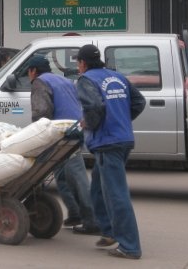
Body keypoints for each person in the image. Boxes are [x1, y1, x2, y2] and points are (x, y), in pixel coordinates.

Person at [76, 44, 146, 260]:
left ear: (83, 63)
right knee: (97, 188)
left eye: (78, 63)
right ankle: (107, 231)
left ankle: (130, 246)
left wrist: (88, 123)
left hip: (107, 142)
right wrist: (121, 121)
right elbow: (139, 102)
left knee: (117, 195)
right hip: (123, 139)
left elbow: (94, 107)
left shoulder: (86, 80)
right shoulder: (117, 77)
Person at [27, 54, 100, 235]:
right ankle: (75, 213)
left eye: (28, 72)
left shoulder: (39, 82)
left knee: (77, 176)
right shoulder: (63, 80)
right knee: (61, 175)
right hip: (76, 129)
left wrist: (36, 136)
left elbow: (42, 112)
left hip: (63, 134)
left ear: (33, 71)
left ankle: (92, 221)